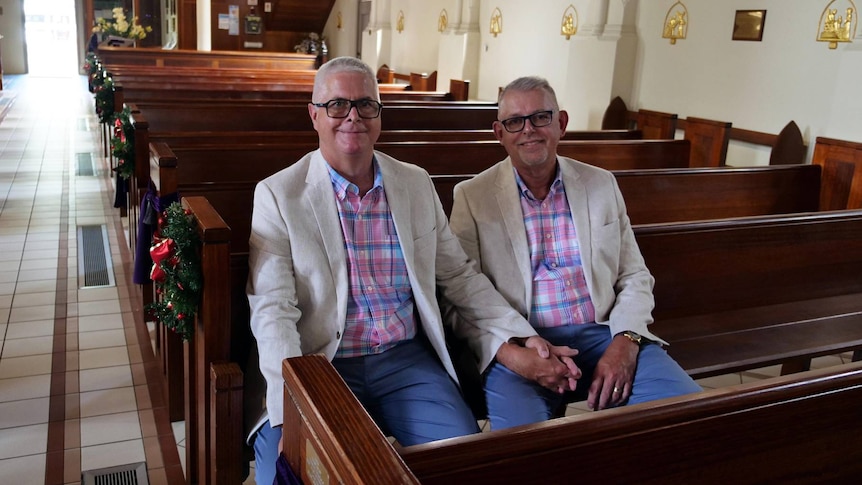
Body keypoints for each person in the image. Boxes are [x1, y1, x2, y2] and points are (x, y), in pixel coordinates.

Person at [245, 59, 580, 484]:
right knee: (291, 470)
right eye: (337, 105)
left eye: (366, 104)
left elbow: (459, 276)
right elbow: (273, 310)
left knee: (462, 464)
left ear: (380, 115)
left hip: (406, 363)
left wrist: (521, 334)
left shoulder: (414, 183)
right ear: (313, 114)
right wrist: (294, 401)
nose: (353, 117)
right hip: (323, 364)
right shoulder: (278, 194)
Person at [447, 76, 702, 430]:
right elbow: (463, 297)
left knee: (693, 418)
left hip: (603, 331)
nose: (529, 130)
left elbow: (634, 274)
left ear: (561, 124)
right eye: (514, 122)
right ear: (499, 133)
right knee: (521, 452)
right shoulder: (472, 197)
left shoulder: (600, 184)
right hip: (523, 339)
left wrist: (626, 339)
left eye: (541, 117)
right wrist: (515, 351)